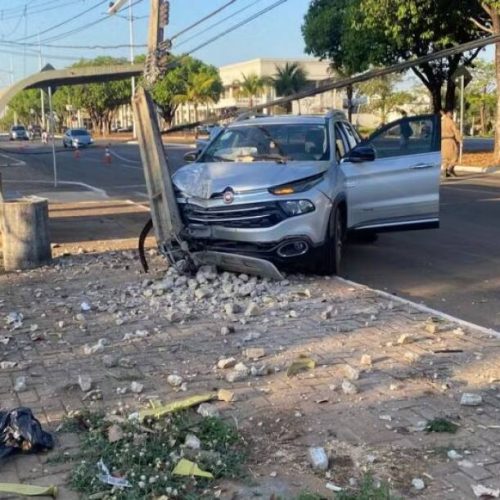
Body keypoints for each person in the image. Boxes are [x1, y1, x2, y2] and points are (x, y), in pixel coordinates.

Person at [441, 109, 462, 177]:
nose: (452, 115)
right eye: (451, 113)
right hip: (450, 140)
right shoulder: (451, 122)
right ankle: (449, 169)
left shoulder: (441, 122)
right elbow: (456, 131)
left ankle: (444, 170)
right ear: (448, 113)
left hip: (443, 141)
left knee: (445, 157)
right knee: (454, 156)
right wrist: (459, 140)